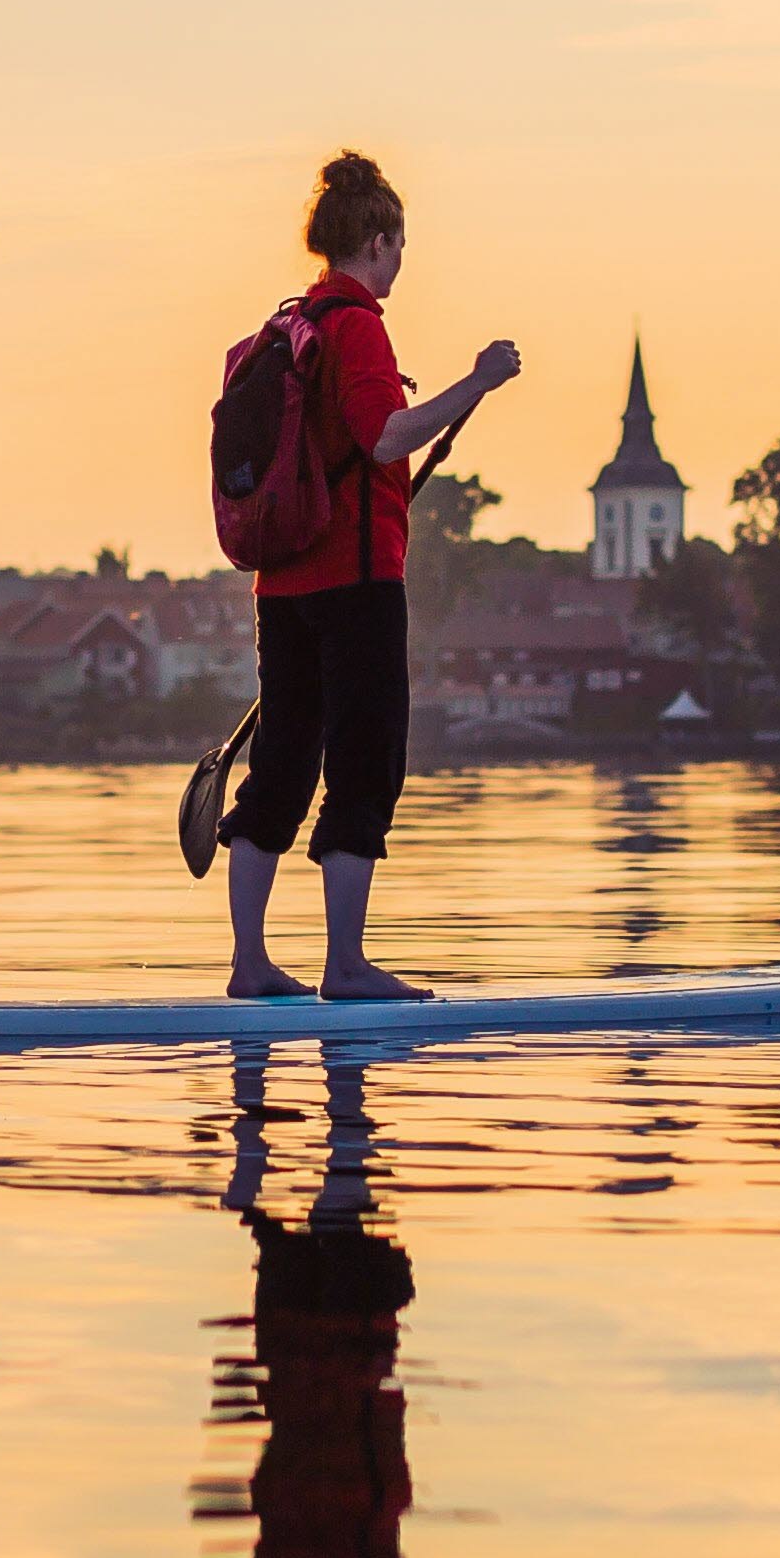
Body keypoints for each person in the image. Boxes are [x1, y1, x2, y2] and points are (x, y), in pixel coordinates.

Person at [219, 150, 517, 1002]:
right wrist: (478, 381)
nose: (400, 262)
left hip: (281, 584)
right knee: (364, 759)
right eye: (398, 244)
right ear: (376, 240)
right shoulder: (354, 326)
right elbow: (386, 436)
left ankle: (250, 965)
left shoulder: (287, 329)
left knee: (280, 763)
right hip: (354, 578)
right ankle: (345, 967)